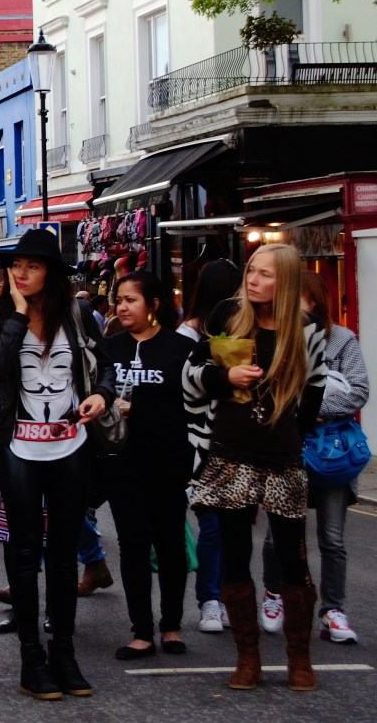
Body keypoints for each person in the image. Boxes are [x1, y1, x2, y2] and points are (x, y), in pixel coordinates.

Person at [0, 228, 114, 700]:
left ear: (51, 272)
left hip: (70, 447)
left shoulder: (76, 316)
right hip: (19, 450)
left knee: (62, 556)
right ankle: (31, 658)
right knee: (23, 553)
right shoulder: (0, 316)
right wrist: (16, 317)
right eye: (16, 265)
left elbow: (106, 367)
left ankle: (65, 654)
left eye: (32, 265)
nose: (20, 271)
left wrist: (100, 394)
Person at [184, 243, 327, 691]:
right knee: (234, 551)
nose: (253, 279)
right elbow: (190, 377)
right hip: (230, 453)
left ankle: (299, 658)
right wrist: (224, 378)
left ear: (284, 282)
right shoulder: (228, 317)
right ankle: (248, 658)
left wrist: (288, 435)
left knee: (291, 557)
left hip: (282, 457)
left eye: (265, 274)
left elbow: (314, 394)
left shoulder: (307, 330)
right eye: (251, 271)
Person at [259, 270, 369, 645]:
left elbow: (357, 392)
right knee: (278, 537)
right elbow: (267, 393)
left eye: (298, 298)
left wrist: (310, 405)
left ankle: (333, 610)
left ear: (315, 301)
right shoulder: (278, 339)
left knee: (333, 539)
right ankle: (274, 593)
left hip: (334, 453)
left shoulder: (342, 339)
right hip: (288, 450)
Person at [103, 271, 196, 659]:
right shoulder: (109, 348)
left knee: (171, 544)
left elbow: (197, 403)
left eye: (131, 300)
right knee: (133, 546)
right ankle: (141, 631)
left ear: (154, 305)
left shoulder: (179, 349)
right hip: (123, 462)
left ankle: (171, 626)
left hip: (170, 460)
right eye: (119, 300)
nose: (122, 307)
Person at [176, 258, 241, 634]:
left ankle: (231, 595)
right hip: (199, 447)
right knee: (213, 526)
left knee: (232, 530)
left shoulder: (244, 339)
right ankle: (210, 599)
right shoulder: (188, 340)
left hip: (237, 445)